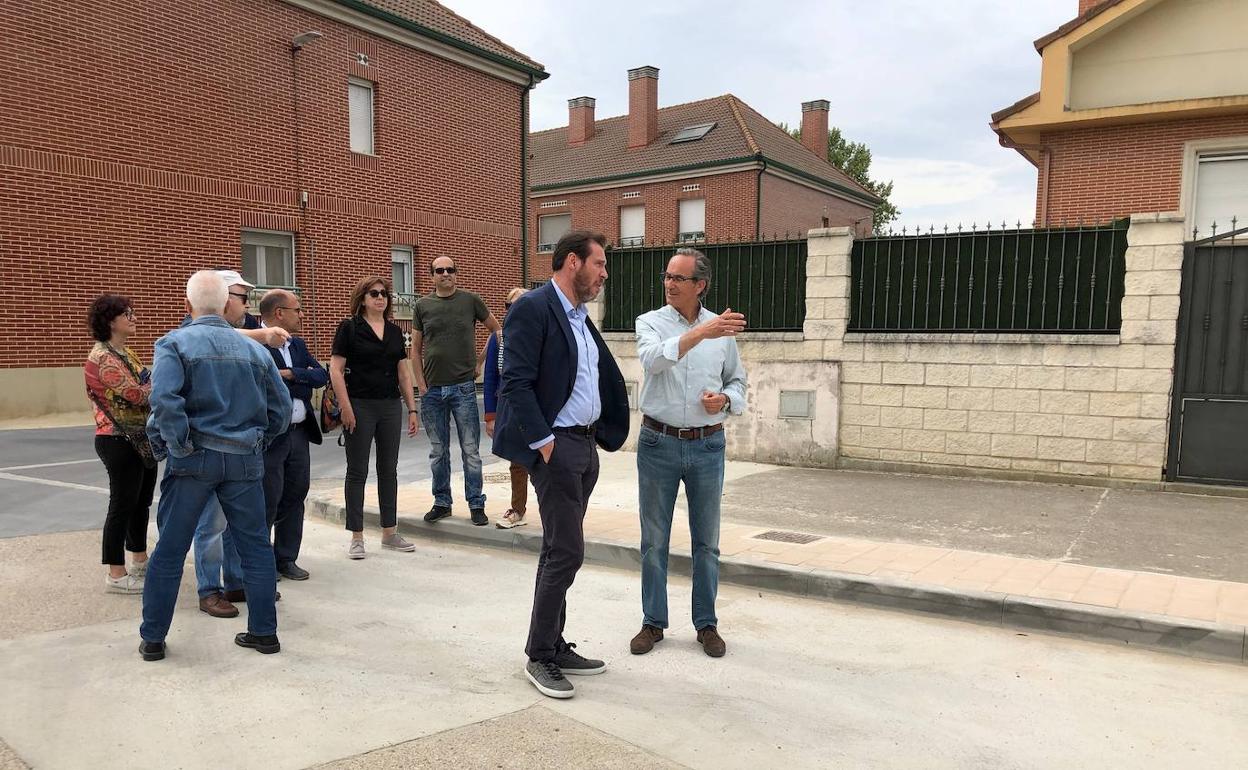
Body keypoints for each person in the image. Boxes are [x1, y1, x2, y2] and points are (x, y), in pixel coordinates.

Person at [492, 230, 630, 699]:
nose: (604, 274)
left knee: (557, 550)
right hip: (557, 449)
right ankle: (539, 655)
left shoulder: (579, 317)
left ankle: (552, 642)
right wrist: (544, 443)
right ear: (573, 262)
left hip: (584, 447)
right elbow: (515, 382)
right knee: (567, 552)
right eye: (600, 264)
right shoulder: (533, 308)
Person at [139, 271, 292, 661]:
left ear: (187, 305)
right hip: (244, 459)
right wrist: (258, 442)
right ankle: (264, 633)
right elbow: (280, 410)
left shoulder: (173, 343)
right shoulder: (256, 351)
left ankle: (153, 638)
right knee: (255, 547)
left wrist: (177, 446)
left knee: (170, 551)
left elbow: (165, 402)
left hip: (194, 458)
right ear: (227, 305)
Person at [630, 248, 748, 659]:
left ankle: (706, 624)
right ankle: (653, 622)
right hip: (658, 442)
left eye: (679, 278)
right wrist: (703, 332)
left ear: (700, 285)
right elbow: (652, 360)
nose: (669, 283)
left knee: (707, 543)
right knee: (654, 540)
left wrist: (725, 400)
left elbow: (738, 383)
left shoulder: (723, 334)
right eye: (667, 276)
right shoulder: (650, 322)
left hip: (708, 444)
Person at [191, 270, 289, 617]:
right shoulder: (196, 335)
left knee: (236, 523)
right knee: (210, 525)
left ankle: (235, 582)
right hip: (207, 450)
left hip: (242, 449)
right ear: (220, 299)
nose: (246, 304)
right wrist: (263, 334)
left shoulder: (241, 336)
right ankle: (209, 590)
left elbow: (278, 403)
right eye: (240, 296)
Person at [330, 276, 420, 560]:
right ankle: (357, 537)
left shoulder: (395, 332)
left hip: (390, 406)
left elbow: (403, 373)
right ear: (363, 298)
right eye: (373, 294)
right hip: (359, 404)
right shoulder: (349, 328)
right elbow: (335, 369)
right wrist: (345, 407)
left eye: (383, 294)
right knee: (357, 471)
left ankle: (389, 532)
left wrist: (412, 408)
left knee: (388, 469)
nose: (380, 298)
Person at [411, 256, 501, 526]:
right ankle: (442, 502)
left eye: (450, 270)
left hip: (463, 388)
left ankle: (475, 503)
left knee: (470, 450)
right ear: (432, 276)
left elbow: (497, 331)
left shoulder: (470, 300)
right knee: (438, 451)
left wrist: (479, 364)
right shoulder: (422, 305)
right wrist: (421, 385)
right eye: (440, 270)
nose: (446, 274)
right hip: (433, 392)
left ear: (456, 274)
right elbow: (415, 349)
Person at [84, 294, 155, 594]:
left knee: (141, 502)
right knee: (122, 504)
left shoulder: (127, 352)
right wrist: (156, 385)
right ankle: (115, 573)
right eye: (128, 314)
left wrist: (151, 383)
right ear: (111, 321)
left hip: (140, 438)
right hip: (117, 439)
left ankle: (139, 559)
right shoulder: (102, 358)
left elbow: (146, 381)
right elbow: (139, 394)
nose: (134, 318)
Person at [259, 289, 327, 581]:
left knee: (296, 493)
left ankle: (286, 558)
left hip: (299, 434)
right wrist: (299, 379)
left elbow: (320, 376)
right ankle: (261, 561)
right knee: (268, 498)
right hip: (272, 436)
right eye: (297, 310)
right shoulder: (257, 344)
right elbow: (267, 387)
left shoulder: (297, 344)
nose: (302, 315)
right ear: (279, 313)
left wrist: (290, 375)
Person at [484, 287, 529, 529]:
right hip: (509, 406)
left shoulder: (540, 334)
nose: (515, 310)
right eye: (510, 306)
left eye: (521, 304)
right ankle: (517, 509)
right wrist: (491, 416)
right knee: (517, 461)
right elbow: (490, 376)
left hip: (537, 406)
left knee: (546, 463)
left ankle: (554, 511)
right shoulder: (499, 338)